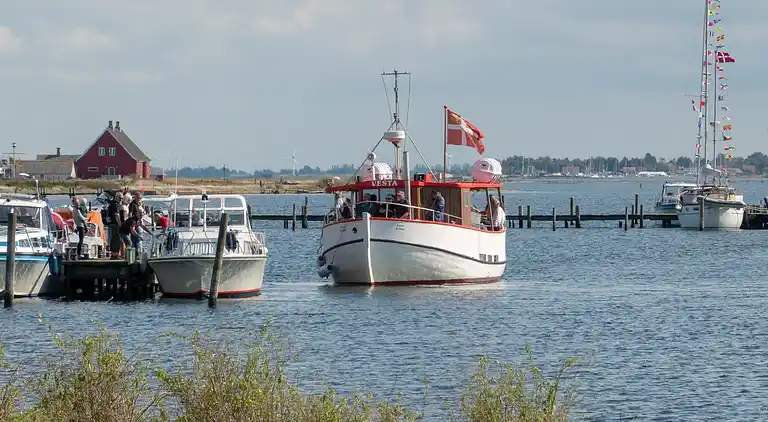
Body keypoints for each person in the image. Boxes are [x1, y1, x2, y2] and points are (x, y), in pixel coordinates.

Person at [106, 192, 124, 258]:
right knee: (117, 239)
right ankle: (115, 254)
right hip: (116, 224)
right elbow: (117, 215)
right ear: (116, 197)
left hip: (112, 224)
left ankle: (114, 254)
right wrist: (120, 225)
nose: (121, 199)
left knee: (114, 239)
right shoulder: (116, 205)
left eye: (122, 198)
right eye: (120, 198)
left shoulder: (111, 204)